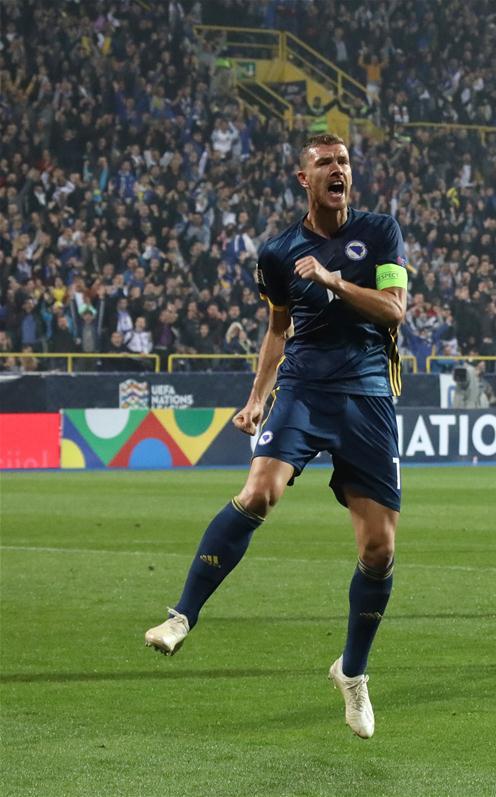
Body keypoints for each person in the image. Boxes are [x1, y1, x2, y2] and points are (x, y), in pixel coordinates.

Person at [144, 134, 409, 740]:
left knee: (380, 551)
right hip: (303, 389)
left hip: (369, 395)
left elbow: (395, 311)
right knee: (260, 492)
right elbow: (277, 329)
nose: (338, 170)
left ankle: (354, 673)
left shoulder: (382, 231)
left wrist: (336, 280)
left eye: (344, 162)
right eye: (325, 163)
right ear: (303, 178)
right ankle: (182, 615)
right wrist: (256, 397)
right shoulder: (277, 252)